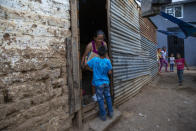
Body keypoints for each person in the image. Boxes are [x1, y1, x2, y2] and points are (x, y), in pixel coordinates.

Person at [85, 45, 113, 121]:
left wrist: (85, 60)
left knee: (100, 99)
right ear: (105, 53)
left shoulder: (94, 60)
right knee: (108, 97)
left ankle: (103, 116)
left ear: (98, 52)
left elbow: (86, 65)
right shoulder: (107, 61)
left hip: (98, 83)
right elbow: (110, 72)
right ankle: (110, 113)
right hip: (106, 82)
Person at [81, 30, 108, 101]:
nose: (100, 40)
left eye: (102, 39)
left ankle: (101, 94)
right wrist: (83, 64)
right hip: (93, 65)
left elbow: (106, 55)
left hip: (101, 64)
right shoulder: (90, 45)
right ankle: (94, 95)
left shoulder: (104, 44)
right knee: (94, 79)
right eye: (99, 39)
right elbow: (84, 56)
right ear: (94, 38)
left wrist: (108, 64)